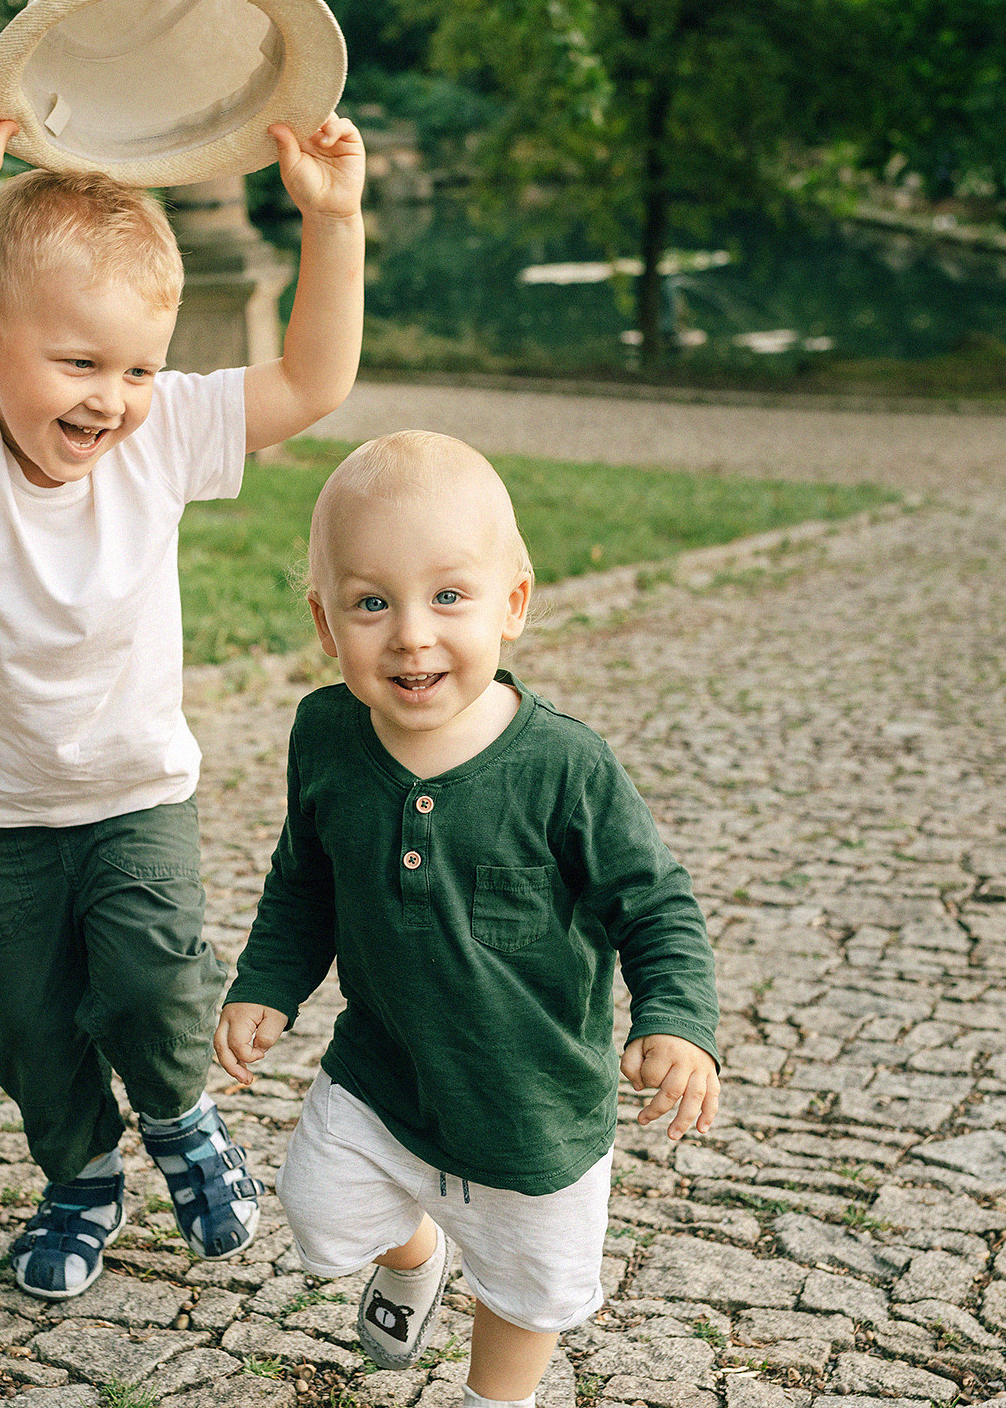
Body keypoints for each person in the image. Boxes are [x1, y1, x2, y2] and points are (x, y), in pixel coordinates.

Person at [0, 81, 364, 1300]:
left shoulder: (160, 430)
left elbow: (312, 381)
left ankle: (178, 1116)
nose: (109, 398)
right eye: (78, 361)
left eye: (136, 368)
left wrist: (331, 222)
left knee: (159, 978)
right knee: (27, 1025)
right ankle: (77, 1177)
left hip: (131, 794)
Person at [214, 431, 721, 1407]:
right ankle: (413, 1254)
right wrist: (265, 983)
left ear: (511, 606)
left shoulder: (563, 769)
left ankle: (499, 1400)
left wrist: (675, 1020)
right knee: (317, 1213)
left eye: (448, 596)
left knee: (526, 1289)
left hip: (529, 1111)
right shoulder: (324, 732)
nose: (409, 634)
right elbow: (302, 876)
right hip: (381, 1079)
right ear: (325, 620)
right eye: (371, 602)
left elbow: (655, 904)